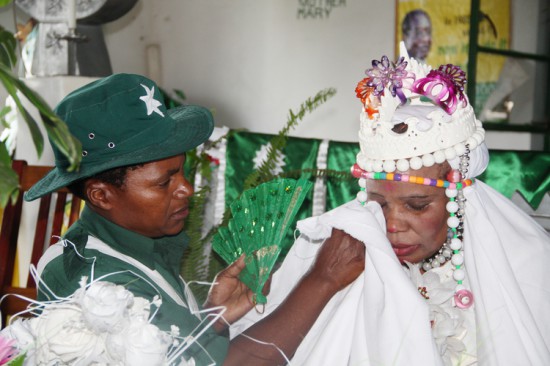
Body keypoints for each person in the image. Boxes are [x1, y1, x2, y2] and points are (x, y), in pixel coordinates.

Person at [231, 46, 550, 365]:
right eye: (379, 204)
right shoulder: (343, 257)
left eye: (417, 205)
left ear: (459, 197)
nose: (392, 225)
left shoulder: (525, 264)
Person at [24, 74, 365, 365]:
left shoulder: (135, 243)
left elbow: (161, 351)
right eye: (164, 182)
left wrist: (209, 320)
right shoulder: (96, 282)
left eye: (183, 171)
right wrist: (322, 280)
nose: (186, 188)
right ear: (101, 195)